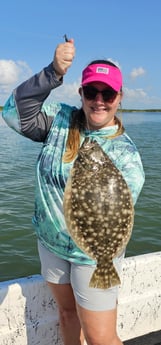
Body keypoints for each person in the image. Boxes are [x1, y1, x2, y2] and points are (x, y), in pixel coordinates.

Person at [2, 37, 145, 345]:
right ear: (81, 93)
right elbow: (13, 113)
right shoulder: (60, 121)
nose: (99, 100)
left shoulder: (126, 154)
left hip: (92, 256)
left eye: (107, 93)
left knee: (100, 336)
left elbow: (119, 213)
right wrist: (53, 71)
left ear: (119, 97)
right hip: (51, 245)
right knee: (67, 316)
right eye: (91, 91)